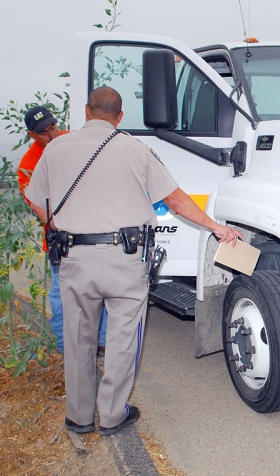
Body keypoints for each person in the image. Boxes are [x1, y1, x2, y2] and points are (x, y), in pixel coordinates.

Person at [25, 86, 242, 436]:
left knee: (78, 339)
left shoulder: (55, 150)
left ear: (86, 111)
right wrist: (216, 227)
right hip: (124, 260)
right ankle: (112, 415)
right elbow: (175, 200)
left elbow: (34, 198)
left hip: (73, 258)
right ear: (120, 116)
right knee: (124, 338)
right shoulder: (136, 149)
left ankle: (79, 417)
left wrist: (55, 225)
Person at [18, 106, 108, 355]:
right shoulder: (28, 166)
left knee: (100, 289)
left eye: (54, 128)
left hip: (93, 232)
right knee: (61, 295)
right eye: (44, 133)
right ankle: (65, 347)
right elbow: (43, 212)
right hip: (62, 239)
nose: (52, 135)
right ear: (31, 135)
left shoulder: (74, 140)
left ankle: (102, 342)